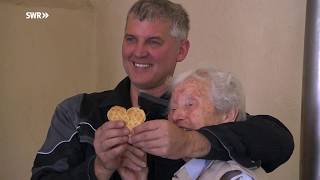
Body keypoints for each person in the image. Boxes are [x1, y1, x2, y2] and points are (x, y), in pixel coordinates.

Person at [31, 0, 294, 180]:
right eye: (131, 39)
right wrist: (99, 168)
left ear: (181, 50)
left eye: (153, 41)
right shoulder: (77, 112)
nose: (138, 52)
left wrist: (189, 143)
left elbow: (278, 141)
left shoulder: (197, 114)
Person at [168, 68, 259, 180]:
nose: (176, 116)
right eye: (173, 108)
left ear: (227, 115)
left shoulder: (232, 176)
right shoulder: (192, 170)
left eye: (190, 104)